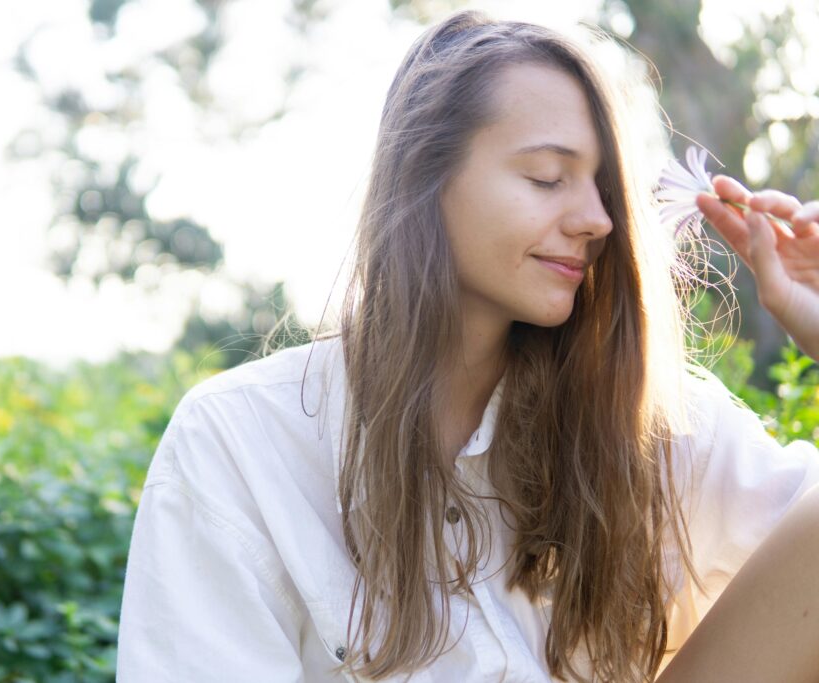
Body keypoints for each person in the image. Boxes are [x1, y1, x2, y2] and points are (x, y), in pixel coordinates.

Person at [116, 10, 819, 682]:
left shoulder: (652, 425)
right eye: (548, 177)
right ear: (428, 177)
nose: (598, 220)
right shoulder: (239, 447)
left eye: (602, 188)